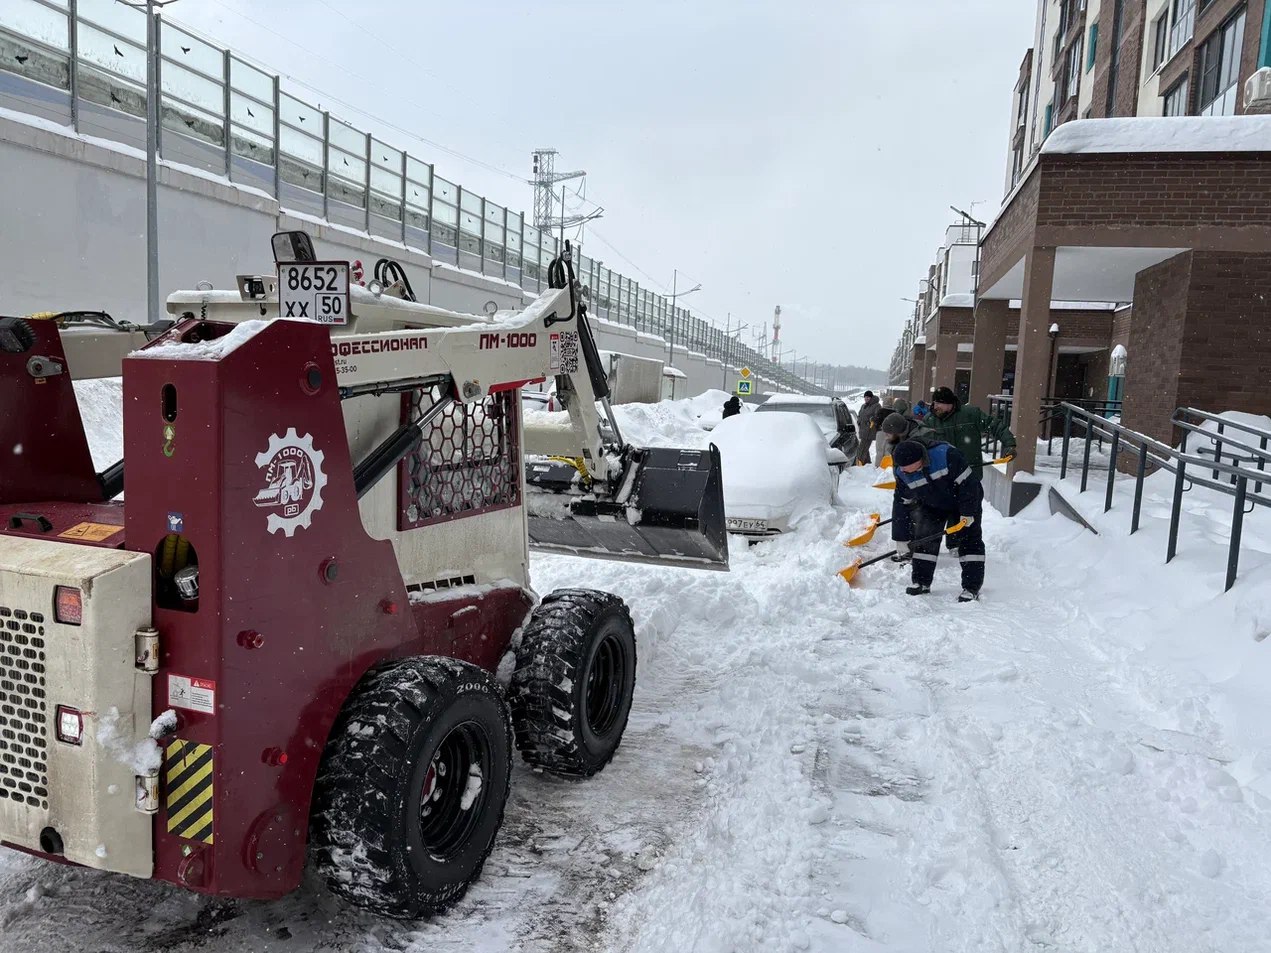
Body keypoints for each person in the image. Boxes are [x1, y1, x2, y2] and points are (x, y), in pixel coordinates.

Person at [890, 439, 985, 602]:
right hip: (931, 504)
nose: (907, 473)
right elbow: (901, 503)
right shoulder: (901, 472)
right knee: (924, 540)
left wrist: (968, 513)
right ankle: (921, 582)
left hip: (963, 502)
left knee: (969, 541)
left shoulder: (946, 456)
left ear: (920, 459)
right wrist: (901, 536)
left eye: (911, 469)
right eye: (904, 470)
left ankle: (971, 587)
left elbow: (969, 485)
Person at [922, 386, 1017, 482]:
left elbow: (995, 426)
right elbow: (921, 444)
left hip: (969, 474)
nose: (935, 406)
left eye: (939, 403)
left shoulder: (970, 414)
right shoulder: (929, 420)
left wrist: (1009, 445)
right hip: (941, 476)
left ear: (949, 403)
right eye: (935, 403)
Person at [855, 391, 886, 464]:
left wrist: (872, 419)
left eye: (868, 397)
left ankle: (859, 462)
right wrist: (859, 421)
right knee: (864, 447)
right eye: (865, 397)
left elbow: (878, 416)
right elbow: (860, 415)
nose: (866, 399)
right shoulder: (863, 406)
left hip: (870, 430)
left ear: (871, 398)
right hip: (863, 430)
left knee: (862, 447)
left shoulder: (876, 405)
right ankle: (867, 462)